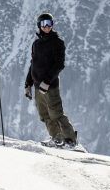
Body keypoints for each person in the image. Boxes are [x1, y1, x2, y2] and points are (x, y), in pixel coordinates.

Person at [23, 12, 78, 147]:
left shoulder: (57, 43)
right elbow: (33, 64)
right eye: (43, 24)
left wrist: (47, 82)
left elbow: (59, 64)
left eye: (49, 23)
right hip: (37, 86)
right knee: (45, 115)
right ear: (39, 26)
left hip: (50, 86)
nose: (47, 27)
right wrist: (28, 84)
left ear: (52, 25)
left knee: (56, 114)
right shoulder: (36, 44)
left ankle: (71, 140)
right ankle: (57, 139)